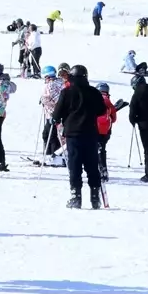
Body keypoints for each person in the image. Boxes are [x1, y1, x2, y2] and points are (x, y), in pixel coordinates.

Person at [52, 65, 106, 209]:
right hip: (90, 133)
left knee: (75, 165)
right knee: (92, 165)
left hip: (73, 134)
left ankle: (76, 197)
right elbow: (101, 110)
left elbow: (57, 114)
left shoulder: (67, 92)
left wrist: (57, 118)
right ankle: (95, 198)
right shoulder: (94, 92)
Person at [39, 66, 66, 163]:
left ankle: (53, 156)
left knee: (49, 134)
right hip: (54, 113)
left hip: (53, 114)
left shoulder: (52, 84)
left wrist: (45, 100)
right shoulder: (60, 82)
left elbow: (58, 100)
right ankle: (51, 155)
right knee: (49, 134)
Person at [95, 81, 117, 182]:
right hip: (106, 131)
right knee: (102, 150)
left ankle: (96, 171)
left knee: (93, 150)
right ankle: (104, 171)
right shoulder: (108, 101)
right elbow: (114, 118)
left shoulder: (93, 100)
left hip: (94, 130)